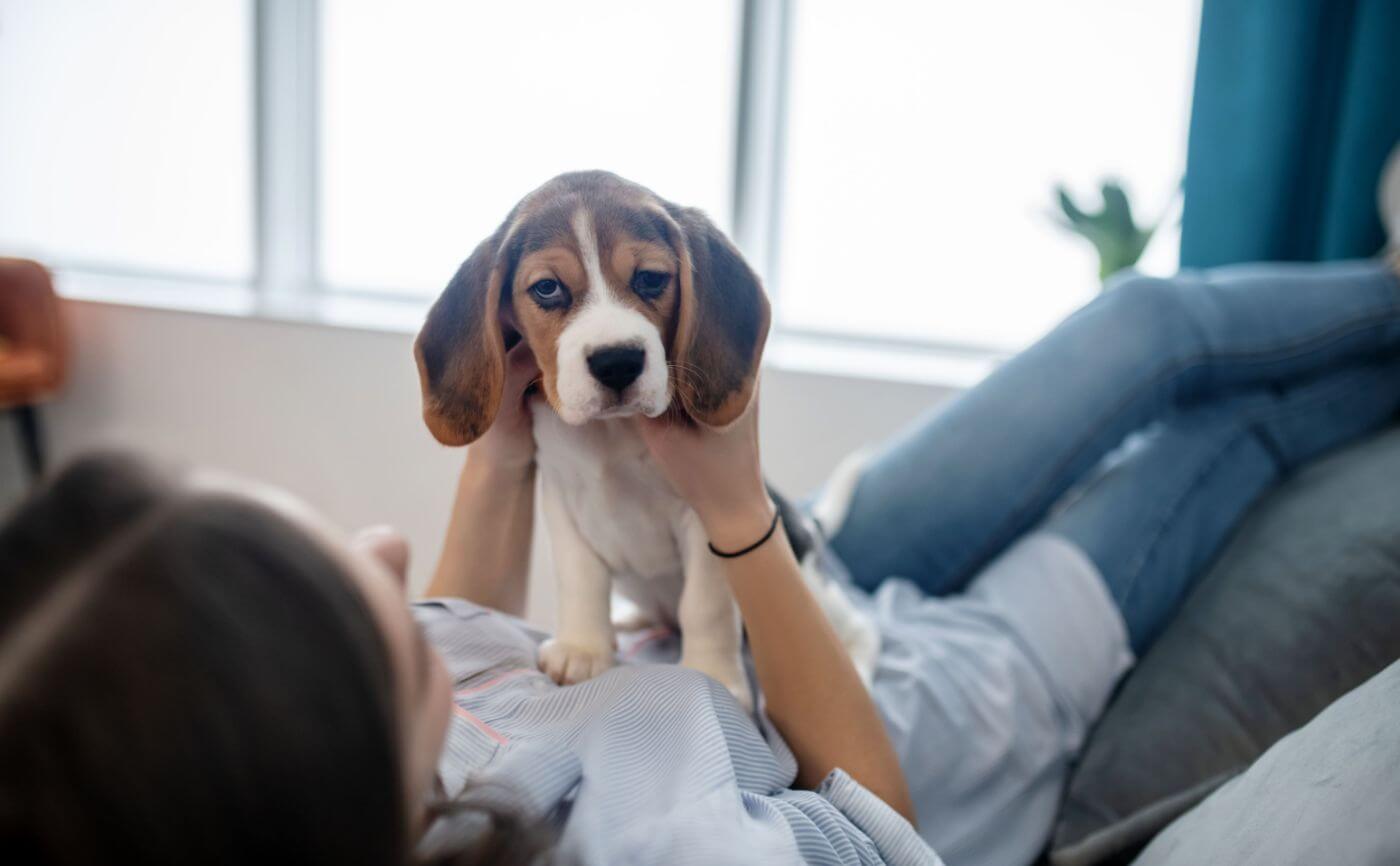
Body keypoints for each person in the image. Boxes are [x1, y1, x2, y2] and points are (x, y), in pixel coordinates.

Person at [3, 255, 1400, 866]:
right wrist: (736, 520)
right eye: (347, 572)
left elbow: (472, 619)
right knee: (1241, 425)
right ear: (317, 740)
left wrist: (507, 425)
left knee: (1148, 323)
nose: (387, 543)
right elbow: (880, 808)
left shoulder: (392, 752)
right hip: (943, 689)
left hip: (798, 555)